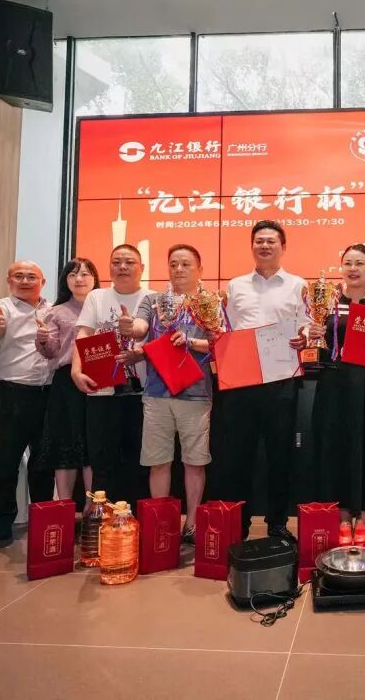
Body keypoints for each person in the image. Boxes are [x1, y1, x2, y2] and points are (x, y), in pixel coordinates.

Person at [220, 220, 307, 541]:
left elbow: (307, 324)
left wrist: (303, 337)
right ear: (252, 246)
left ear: (283, 247)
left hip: (281, 380)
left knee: (280, 455)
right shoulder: (235, 286)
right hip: (241, 382)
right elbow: (226, 328)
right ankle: (238, 524)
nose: (265, 246)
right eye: (259, 241)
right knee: (238, 456)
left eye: (271, 241)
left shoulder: (298, 285)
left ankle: (277, 524)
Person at [308, 243, 365, 546]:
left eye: (360, 263)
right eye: (348, 263)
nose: (353, 269)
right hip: (333, 384)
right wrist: (314, 335)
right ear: (342, 268)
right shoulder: (329, 303)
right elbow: (318, 347)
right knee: (336, 446)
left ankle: (364, 522)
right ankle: (343, 518)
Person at [128, 244, 213, 543]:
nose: (179, 269)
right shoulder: (153, 301)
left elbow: (220, 343)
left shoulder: (210, 302)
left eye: (186, 264)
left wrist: (190, 341)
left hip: (195, 393)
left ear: (200, 269)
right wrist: (130, 328)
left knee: (195, 461)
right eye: (174, 264)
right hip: (157, 392)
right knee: (158, 461)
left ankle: (192, 522)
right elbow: (140, 328)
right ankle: (161, 523)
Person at [71, 244, 150, 508]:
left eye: (129, 262)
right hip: (102, 389)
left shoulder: (153, 297)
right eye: (116, 262)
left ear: (142, 268)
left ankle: (133, 521)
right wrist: (76, 369)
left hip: (143, 393)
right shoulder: (97, 297)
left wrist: (141, 352)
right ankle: (102, 519)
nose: (122, 267)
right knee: (102, 458)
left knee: (138, 459)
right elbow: (84, 333)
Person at [0, 261, 53, 542]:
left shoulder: (52, 309)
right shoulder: (0, 307)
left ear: (42, 282)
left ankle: (43, 518)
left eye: (31, 276)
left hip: (47, 395)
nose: (25, 280)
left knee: (43, 462)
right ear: (9, 280)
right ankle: (2, 523)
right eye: (18, 276)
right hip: (12, 395)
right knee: (6, 461)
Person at [36, 258, 100, 501]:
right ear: (66, 281)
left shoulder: (105, 307)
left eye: (85, 274)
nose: (79, 279)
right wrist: (42, 339)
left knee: (93, 443)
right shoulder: (57, 311)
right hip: (66, 383)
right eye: (73, 275)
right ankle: (65, 504)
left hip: (100, 377)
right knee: (66, 442)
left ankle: (93, 506)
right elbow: (51, 352)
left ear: (94, 279)